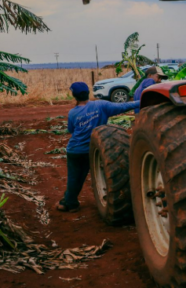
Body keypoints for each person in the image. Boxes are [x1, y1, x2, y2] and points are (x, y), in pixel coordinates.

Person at [57, 82, 139, 212]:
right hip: (94, 148)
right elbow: (124, 106)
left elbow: (71, 130)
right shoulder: (101, 105)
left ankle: (69, 202)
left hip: (75, 150)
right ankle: (114, 199)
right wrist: (142, 101)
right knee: (105, 173)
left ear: (74, 96)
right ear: (88, 93)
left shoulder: (73, 113)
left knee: (75, 177)